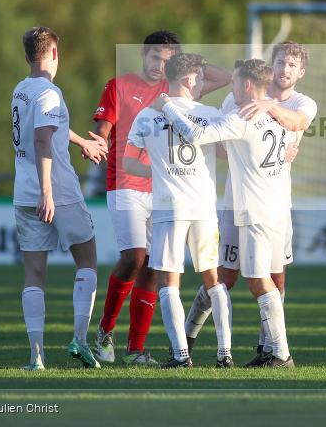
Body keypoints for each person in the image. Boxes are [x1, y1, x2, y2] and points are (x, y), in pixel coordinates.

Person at [91, 32, 230, 365]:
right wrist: (96, 143)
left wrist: (190, 63)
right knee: (134, 257)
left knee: (156, 269)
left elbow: (224, 78)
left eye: (168, 60)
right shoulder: (119, 86)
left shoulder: (177, 89)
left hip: (165, 191)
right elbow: (103, 130)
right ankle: (105, 332)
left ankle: (135, 350)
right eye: (155, 57)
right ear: (143, 55)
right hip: (126, 184)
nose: (160, 65)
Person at [182, 42, 316, 367]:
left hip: (264, 206)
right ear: (271, 68)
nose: (285, 69)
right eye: (280, 62)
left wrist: (172, 107)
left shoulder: (271, 110)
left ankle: (275, 351)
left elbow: (298, 121)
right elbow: (228, 147)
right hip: (243, 202)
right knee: (224, 276)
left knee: (264, 278)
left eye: (292, 64)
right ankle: (186, 340)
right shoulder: (244, 108)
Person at [161, 59, 295, 368]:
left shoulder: (242, 117)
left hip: (256, 211)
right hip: (276, 208)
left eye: (234, 82)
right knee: (259, 279)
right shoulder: (275, 114)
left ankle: (281, 354)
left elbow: (194, 135)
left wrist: (168, 106)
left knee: (258, 281)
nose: (231, 88)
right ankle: (276, 352)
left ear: (247, 85)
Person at [125, 53, 233, 368]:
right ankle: (224, 353)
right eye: (199, 77)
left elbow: (129, 162)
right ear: (189, 79)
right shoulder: (209, 113)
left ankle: (181, 354)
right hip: (203, 207)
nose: (202, 83)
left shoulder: (147, 115)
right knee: (213, 279)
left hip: (169, 208)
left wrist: (159, 172)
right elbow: (225, 153)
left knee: (168, 281)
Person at [11, 26, 108, 370]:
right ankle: (79, 339)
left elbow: (51, 128)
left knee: (34, 275)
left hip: (23, 192)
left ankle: (36, 357)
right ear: (54, 52)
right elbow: (42, 139)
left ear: (27, 56)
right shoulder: (50, 92)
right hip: (57, 191)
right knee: (87, 259)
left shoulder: (21, 90)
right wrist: (48, 193)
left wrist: (83, 142)